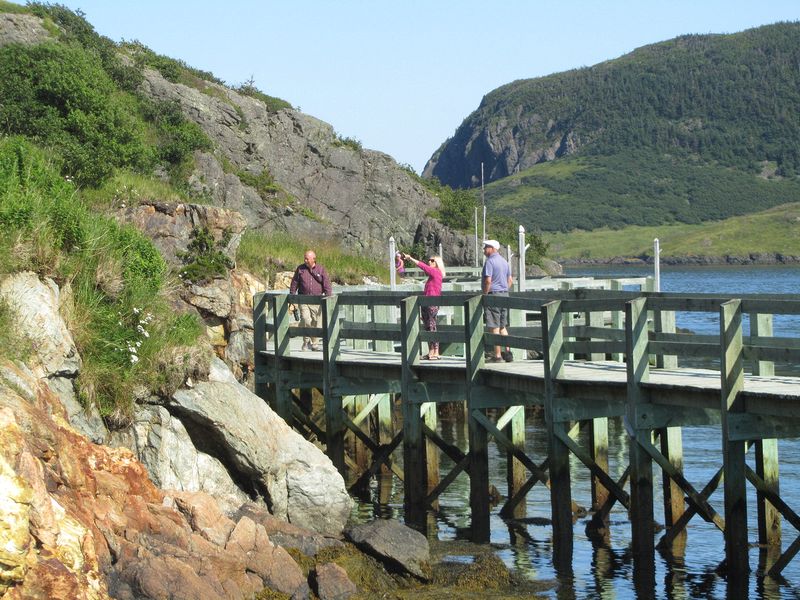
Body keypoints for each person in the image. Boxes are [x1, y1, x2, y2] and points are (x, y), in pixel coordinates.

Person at [401, 252, 445, 360]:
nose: (429, 262)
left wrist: (410, 258)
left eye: (432, 260)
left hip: (431, 303)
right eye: (429, 260)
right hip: (426, 303)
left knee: (432, 326)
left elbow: (423, 266)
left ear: (437, 263)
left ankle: (436, 352)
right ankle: (431, 351)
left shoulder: (436, 272)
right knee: (428, 327)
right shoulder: (432, 275)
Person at [289, 250, 332, 351]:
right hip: (303, 299)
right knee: (305, 319)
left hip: (317, 300)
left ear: (313, 259)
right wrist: (292, 296)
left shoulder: (321, 269)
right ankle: (306, 341)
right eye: (304, 258)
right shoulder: (300, 269)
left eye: (307, 259)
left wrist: (329, 296)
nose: (305, 260)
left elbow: (326, 284)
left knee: (316, 322)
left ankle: (314, 343)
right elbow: (294, 282)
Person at [481, 240, 513, 363]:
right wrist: (503, 289)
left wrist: (485, 294)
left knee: (494, 326)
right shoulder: (505, 262)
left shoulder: (490, 262)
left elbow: (488, 281)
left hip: (493, 295)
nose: (484, 250)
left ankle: (498, 356)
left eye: (486, 247)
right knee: (502, 326)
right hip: (504, 295)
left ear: (492, 248)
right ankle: (508, 352)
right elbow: (510, 280)